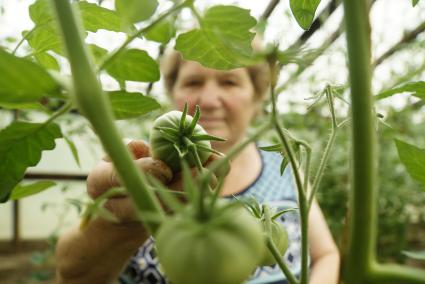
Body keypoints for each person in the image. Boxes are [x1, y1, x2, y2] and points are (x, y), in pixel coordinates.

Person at [55, 51, 340, 284]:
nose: (209, 100)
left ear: (256, 97)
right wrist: (122, 221)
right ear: (172, 92)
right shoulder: (136, 173)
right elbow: (72, 275)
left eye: (229, 82)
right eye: (193, 82)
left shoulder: (287, 167)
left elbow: (326, 254)